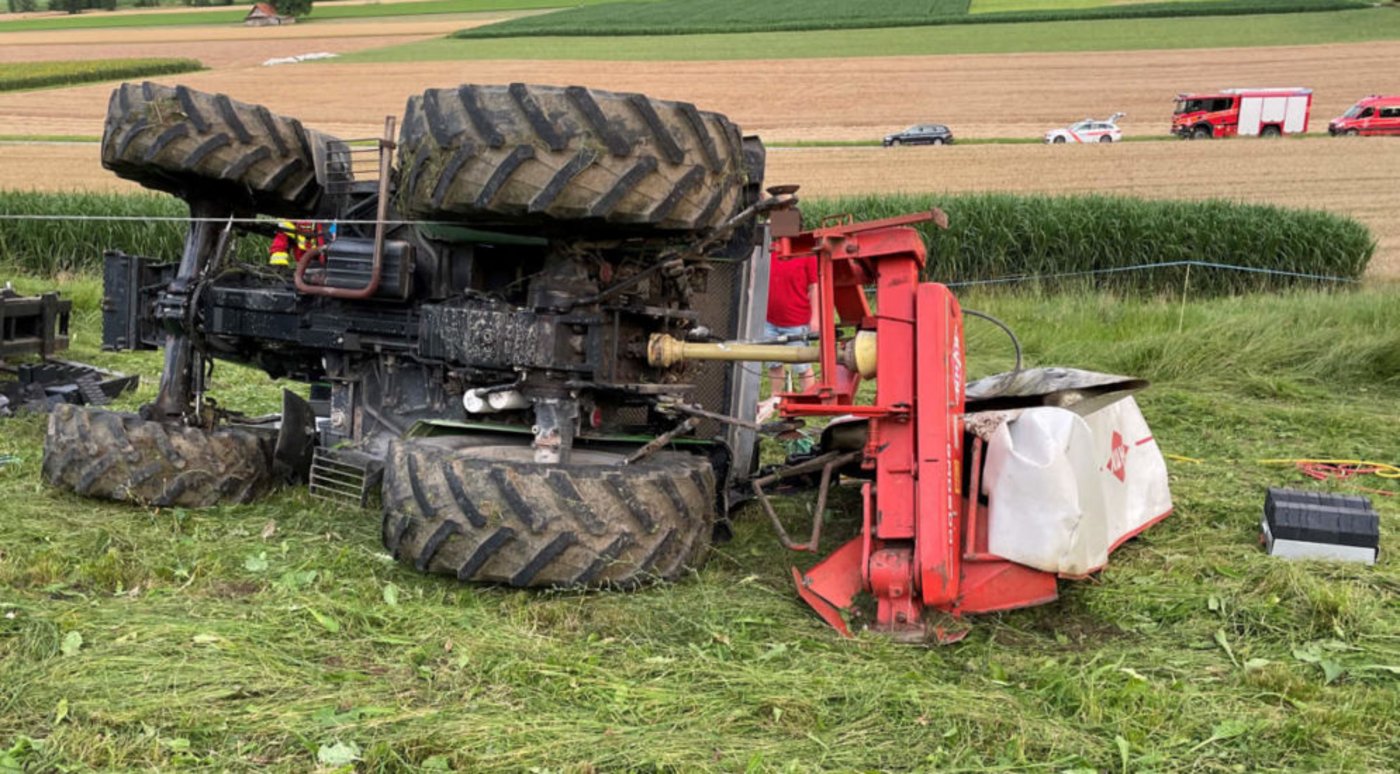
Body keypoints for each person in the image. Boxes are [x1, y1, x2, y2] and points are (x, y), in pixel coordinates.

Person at [764, 246, 819, 396]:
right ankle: (775, 398)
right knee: (774, 363)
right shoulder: (771, 250)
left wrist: (815, 318)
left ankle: (808, 400)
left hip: (797, 321)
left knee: (802, 365)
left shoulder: (807, 254)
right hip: (770, 320)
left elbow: (815, 287)